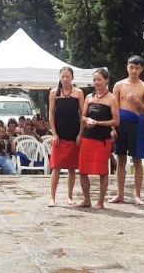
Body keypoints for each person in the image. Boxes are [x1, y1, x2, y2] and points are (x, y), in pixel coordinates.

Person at [110, 55, 144, 205]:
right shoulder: (119, 85)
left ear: (141, 69)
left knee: (137, 160)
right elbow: (113, 107)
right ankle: (119, 194)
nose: (134, 70)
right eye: (131, 67)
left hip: (137, 123)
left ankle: (137, 195)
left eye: (137, 68)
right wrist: (113, 128)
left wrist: (138, 102)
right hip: (121, 123)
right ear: (127, 67)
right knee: (121, 159)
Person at [78, 68, 120, 209]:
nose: (96, 82)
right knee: (83, 171)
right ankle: (87, 199)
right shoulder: (89, 97)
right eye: (94, 80)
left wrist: (99, 123)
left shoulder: (111, 98)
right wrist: (87, 121)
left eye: (99, 80)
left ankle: (100, 201)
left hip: (102, 139)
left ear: (106, 80)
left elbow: (116, 121)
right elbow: (82, 117)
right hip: (88, 138)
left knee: (102, 171)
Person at [48, 66, 85, 207]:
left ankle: (69, 196)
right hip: (59, 135)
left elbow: (82, 114)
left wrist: (80, 133)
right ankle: (52, 197)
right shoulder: (53, 93)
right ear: (59, 77)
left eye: (67, 76)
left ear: (72, 78)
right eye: (62, 76)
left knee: (71, 168)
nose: (65, 79)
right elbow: (51, 113)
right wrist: (54, 133)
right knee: (56, 167)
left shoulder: (78, 93)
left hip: (74, 134)